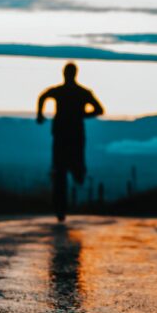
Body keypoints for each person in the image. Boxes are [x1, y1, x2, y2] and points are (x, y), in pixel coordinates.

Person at [36, 62, 104, 221]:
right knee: (61, 171)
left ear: (65, 74)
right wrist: (82, 115)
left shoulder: (64, 91)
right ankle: (61, 208)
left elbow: (43, 96)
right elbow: (98, 109)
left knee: (63, 170)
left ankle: (74, 178)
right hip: (71, 134)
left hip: (64, 134)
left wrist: (40, 114)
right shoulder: (82, 92)